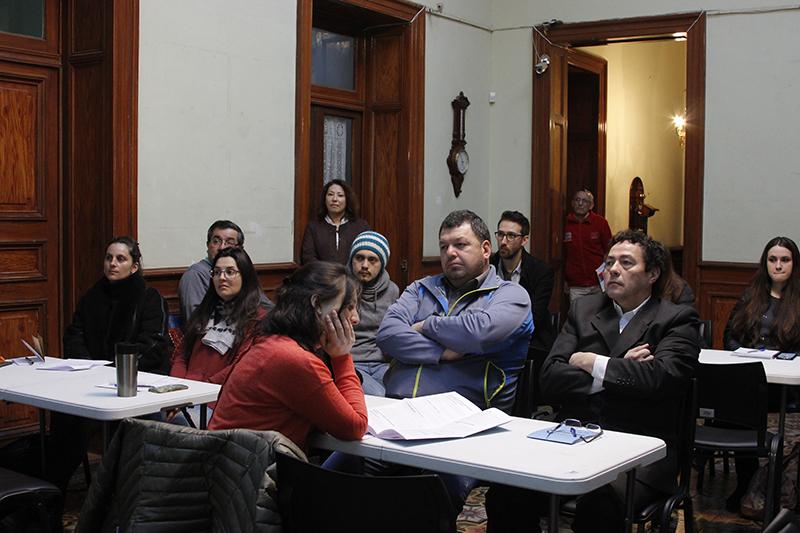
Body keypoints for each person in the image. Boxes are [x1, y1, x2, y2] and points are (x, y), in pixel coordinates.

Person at [485, 229, 700, 533]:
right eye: (609, 261)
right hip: (574, 437)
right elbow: (549, 379)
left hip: (640, 449)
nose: (613, 269)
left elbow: (661, 379)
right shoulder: (585, 309)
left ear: (652, 273)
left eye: (626, 263)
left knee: (600, 505)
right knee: (508, 490)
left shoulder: (676, 319)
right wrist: (620, 369)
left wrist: (593, 362)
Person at [376, 209, 532, 514]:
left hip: (464, 431)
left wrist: (426, 325)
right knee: (330, 481)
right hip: (397, 418)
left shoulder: (512, 295)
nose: (450, 253)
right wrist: (441, 352)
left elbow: (480, 331)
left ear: (486, 249)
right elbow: (388, 334)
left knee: (421, 510)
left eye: (460, 244)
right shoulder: (422, 288)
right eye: (444, 245)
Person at [52, 237, 171, 490]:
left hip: (136, 384)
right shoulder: (93, 296)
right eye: (108, 258)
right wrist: (87, 366)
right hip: (90, 382)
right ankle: (50, 490)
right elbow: (74, 334)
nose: (112, 264)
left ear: (135, 266)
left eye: (120, 259)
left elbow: (152, 344)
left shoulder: (149, 298)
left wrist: (115, 370)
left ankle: (119, 493)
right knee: (65, 416)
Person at [209, 261, 367, 452]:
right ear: (317, 305)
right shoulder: (293, 358)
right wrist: (342, 358)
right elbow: (355, 427)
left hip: (233, 465)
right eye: (349, 307)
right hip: (250, 474)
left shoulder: (274, 343)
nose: (355, 318)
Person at [722, 236, 800, 511]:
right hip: (752, 378)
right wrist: (744, 354)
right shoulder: (751, 296)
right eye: (772, 259)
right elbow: (730, 336)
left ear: (794, 264)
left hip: (787, 387)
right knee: (731, 415)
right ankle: (745, 485)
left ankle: (771, 492)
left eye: (785, 260)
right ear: (765, 263)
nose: (778, 266)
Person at [170, 248, 267, 424]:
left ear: (245, 276)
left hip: (220, 400)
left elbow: (239, 367)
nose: (221, 278)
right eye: (217, 272)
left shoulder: (258, 320)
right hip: (185, 393)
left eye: (230, 272)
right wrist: (177, 391)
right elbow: (182, 355)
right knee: (142, 420)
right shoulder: (205, 311)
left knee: (177, 425)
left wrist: (196, 392)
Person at [490, 210, 555, 380]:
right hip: (489, 335)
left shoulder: (541, 271)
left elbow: (535, 317)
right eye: (500, 235)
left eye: (511, 236)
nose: (503, 241)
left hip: (528, 338)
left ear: (524, 240)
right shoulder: (487, 266)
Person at [178, 219, 272, 323]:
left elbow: (267, 308)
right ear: (208, 245)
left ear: (240, 249)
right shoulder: (195, 274)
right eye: (216, 241)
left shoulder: (243, 272)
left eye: (229, 242)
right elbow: (196, 323)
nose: (222, 247)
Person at [347, 231, 399, 396]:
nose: (364, 265)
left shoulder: (392, 290)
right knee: (380, 396)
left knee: (403, 392)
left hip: (382, 363)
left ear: (382, 263)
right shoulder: (340, 288)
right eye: (359, 258)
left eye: (372, 260)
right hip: (351, 361)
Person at [301, 179, 370, 265]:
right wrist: (328, 274)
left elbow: (367, 254)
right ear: (324, 199)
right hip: (323, 277)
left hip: (353, 277)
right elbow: (308, 258)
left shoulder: (361, 226)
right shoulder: (313, 227)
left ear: (347, 199)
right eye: (330, 194)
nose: (334, 199)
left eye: (340, 195)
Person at [563, 189, 612, 301]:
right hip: (576, 284)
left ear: (591, 205)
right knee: (578, 316)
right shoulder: (564, 223)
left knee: (598, 315)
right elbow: (562, 253)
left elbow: (609, 250)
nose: (580, 203)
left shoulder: (600, 223)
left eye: (584, 201)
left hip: (598, 283)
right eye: (577, 200)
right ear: (572, 203)